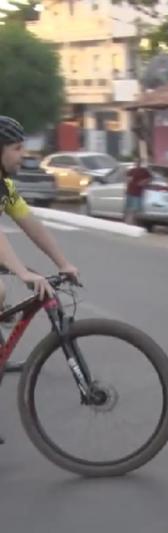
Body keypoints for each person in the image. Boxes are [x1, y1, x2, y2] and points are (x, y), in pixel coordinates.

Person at [0, 116, 80, 445]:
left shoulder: (5, 188)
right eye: (17, 149)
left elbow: (31, 224)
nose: (24, 155)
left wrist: (63, 262)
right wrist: (23, 272)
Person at [124, 157, 151, 225]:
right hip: (130, 191)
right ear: (134, 163)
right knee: (129, 208)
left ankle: (135, 222)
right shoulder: (131, 170)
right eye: (135, 162)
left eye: (138, 162)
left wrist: (144, 182)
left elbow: (150, 178)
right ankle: (129, 222)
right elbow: (127, 180)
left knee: (137, 209)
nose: (137, 163)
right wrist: (127, 183)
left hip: (138, 193)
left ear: (140, 163)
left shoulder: (144, 171)